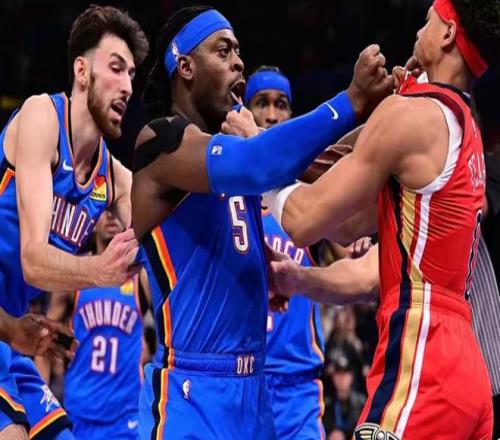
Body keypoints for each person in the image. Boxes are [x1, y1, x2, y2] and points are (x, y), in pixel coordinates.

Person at [132, 5, 392, 439]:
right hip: (193, 391)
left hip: (257, 391)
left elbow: (327, 161)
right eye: (223, 50)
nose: (238, 62)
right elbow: (257, 162)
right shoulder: (160, 142)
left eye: (239, 51)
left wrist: (392, 110)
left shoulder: (235, 155)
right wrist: (350, 101)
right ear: (186, 67)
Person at [260, 0, 500, 437]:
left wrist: (255, 160)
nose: (417, 32)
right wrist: (298, 280)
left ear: (447, 34)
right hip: (468, 366)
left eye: (427, 20)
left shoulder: (412, 117)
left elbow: (302, 219)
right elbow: (347, 227)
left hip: (422, 351)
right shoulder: (466, 131)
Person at [0, 5, 148, 439]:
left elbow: (168, 245)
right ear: (82, 71)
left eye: (132, 75)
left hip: (8, 332)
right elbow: (32, 260)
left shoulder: (114, 178)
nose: (127, 86)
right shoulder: (41, 117)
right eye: (116, 69)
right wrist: (99, 270)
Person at [245, 66, 326, 439]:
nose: (272, 114)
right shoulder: (227, 198)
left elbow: (351, 249)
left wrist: (358, 242)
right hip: (241, 382)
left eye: (281, 105)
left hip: (297, 389)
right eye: (261, 103)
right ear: (245, 112)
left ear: (291, 115)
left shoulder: (309, 197)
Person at [37, 210, 149, 440]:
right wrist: (41, 405)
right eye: (105, 210)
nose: (111, 217)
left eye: (115, 210)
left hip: (126, 415)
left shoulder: (140, 276)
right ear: (92, 220)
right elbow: (43, 342)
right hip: (80, 410)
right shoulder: (74, 273)